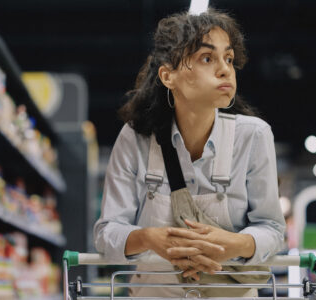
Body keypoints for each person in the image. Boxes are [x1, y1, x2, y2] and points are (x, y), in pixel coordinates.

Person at [93, 8, 286, 297]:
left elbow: (272, 228)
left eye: (229, 58)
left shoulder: (254, 136)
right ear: (168, 76)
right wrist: (148, 238)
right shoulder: (135, 139)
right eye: (207, 58)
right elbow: (106, 232)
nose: (224, 69)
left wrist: (233, 244)